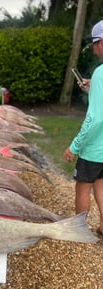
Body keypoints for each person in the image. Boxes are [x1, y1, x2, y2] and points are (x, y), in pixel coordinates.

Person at [63, 19, 103, 237]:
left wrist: (74, 146)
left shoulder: (101, 73)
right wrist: (93, 88)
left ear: (102, 42)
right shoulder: (98, 78)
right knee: (101, 186)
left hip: (94, 149)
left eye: (95, 44)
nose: (95, 50)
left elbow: (96, 117)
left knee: (83, 188)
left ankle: (78, 231)